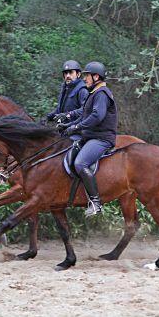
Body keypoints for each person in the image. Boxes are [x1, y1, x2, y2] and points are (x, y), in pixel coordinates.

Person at [57, 61, 117, 216]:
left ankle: (96, 202)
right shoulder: (93, 93)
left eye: (87, 76)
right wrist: (68, 126)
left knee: (80, 163)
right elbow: (84, 116)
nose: (84, 79)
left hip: (101, 138)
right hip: (90, 137)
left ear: (96, 76)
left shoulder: (102, 93)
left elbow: (97, 116)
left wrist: (77, 128)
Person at [46, 60, 88, 126]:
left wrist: (68, 115)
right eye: (65, 73)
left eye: (71, 72)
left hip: (77, 129)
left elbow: (85, 111)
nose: (68, 75)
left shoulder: (82, 90)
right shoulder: (65, 88)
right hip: (63, 127)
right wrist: (49, 116)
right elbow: (60, 109)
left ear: (78, 74)